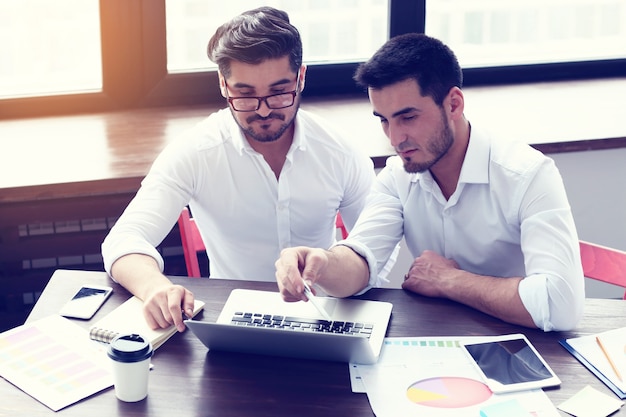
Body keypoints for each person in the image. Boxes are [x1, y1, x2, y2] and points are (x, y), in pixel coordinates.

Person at [275, 33, 585, 332]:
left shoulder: (528, 175)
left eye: (407, 118)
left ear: (453, 104)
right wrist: (321, 263)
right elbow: (361, 260)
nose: (395, 138)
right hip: (436, 340)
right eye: (384, 120)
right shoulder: (398, 176)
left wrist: (448, 280)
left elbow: (560, 305)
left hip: (523, 348)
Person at [101, 7, 376, 333]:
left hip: (327, 316)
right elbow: (124, 239)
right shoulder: (196, 152)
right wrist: (154, 288)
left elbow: (377, 249)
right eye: (245, 95)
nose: (262, 111)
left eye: (277, 93)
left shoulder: (341, 152)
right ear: (223, 84)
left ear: (301, 78)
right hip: (232, 324)